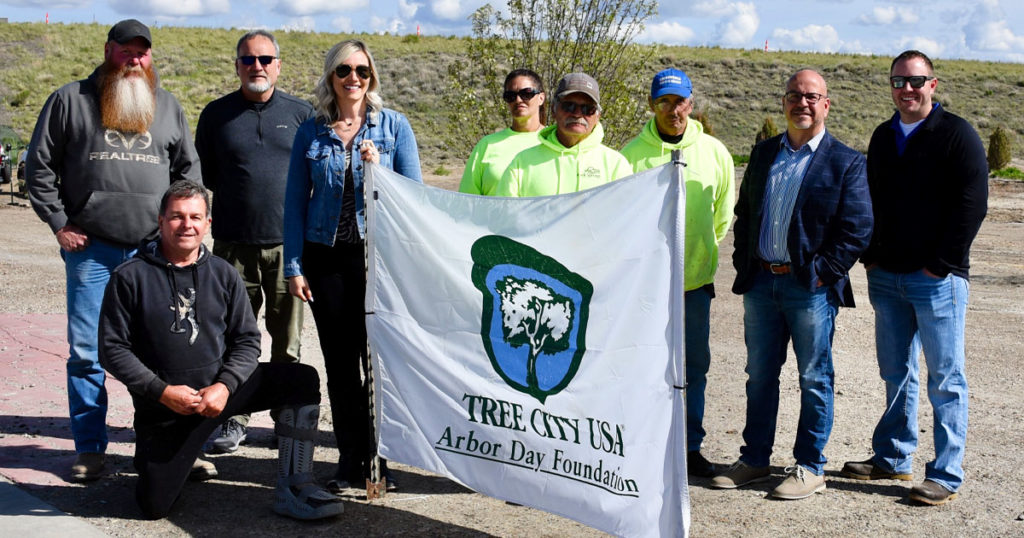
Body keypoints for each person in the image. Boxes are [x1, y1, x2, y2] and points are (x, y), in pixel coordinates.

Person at [98, 181, 343, 520]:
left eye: (195, 217)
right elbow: (112, 349)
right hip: (169, 407)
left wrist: (225, 386)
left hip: (222, 392)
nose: (187, 225)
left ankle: (295, 485)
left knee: (300, 378)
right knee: (152, 507)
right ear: (160, 220)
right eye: (177, 217)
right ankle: (164, 454)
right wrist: (162, 392)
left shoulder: (224, 273)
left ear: (208, 224)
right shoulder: (129, 277)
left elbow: (247, 339)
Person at [24, 19, 201, 482]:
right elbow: (38, 166)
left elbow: (189, 172)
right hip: (93, 253)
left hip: (152, 254)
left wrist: (186, 226)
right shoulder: (70, 100)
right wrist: (60, 223)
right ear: (109, 50)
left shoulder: (167, 106)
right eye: (126, 50)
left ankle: (177, 446)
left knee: (170, 351)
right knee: (86, 352)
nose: (134, 59)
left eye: (142, 52)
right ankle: (91, 449)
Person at [711, 69, 872, 499]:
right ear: (784, 102)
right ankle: (755, 460)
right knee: (759, 375)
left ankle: (810, 466)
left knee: (814, 378)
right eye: (794, 96)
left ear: (826, 104)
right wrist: (745, 261)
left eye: (811, 96)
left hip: (811, 290)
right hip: (762, 283)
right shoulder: (765, 153)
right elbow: (746, 214)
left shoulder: (847, 161)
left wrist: (820, 273)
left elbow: (856, 230)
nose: (802, 103)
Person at [841, 50, 988, 506]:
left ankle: (945, 473)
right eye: (899, 82)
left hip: (937, 280)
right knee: (895, 372)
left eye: (916, 81)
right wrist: (870, 257)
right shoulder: (884, 136)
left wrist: (941, 264)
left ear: (933, 84)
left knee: (945, 378)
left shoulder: (957, 135)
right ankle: (893, 457)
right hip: (887, 277)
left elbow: (972, 204)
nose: (907, 90)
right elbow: (870, 199)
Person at [283, 39, 422, 493]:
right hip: (326, 259)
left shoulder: (394, 127)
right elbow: (293, 207)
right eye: (344, 70)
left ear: (372, 76)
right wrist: (295, 265)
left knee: (379, 363)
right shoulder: (312, 131)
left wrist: (380, 171)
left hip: (376, 259)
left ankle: (381, 462)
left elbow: (414, 199)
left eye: (362, 70)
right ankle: (350, 462)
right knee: (342, 365)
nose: (353, 78)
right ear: (331, 77)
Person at [195, 30, 314, 454]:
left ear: (278, 64)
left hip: (288, 249)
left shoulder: (303, 115)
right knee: (233, 338)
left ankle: (284, 419)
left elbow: (315, 180)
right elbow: (208, 175)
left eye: (265, 59)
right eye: (248, 60)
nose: (257, 66)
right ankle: (234, 419)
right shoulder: (216, 115)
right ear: (237, 65)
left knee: (287, 340)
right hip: (231, 247)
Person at [620, 68, 734, 477]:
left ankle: (689, 446)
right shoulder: (631, 155)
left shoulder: (714, 152)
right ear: (653, 105)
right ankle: (643, 444)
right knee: (643, 365)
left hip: (693, 284)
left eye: (680, 101)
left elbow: (721, 216)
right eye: (664, 102)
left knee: (693, 368)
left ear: (691, 103)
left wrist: (700, 253)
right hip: (644, 287)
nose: (673, 110)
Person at [494, 72, 631, 196]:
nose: (577, 114)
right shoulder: (522, 163)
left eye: (587, 109)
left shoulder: (616, 165)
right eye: (568, 106)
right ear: (554, 110)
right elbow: (504, 217)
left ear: (598, 116)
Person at [459, 69, 546, 195]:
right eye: (510, 96)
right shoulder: (486, 145)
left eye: (526, 93)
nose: (518, 100)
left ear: (541, 98)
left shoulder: (553, 141)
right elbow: (467, 201)